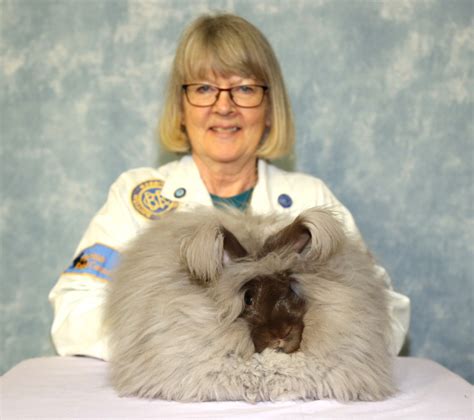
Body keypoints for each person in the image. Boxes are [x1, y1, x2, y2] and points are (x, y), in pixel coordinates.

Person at [49, 13, 410, 361]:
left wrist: (299, 350)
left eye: (245, 89)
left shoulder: (311, 199)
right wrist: (188, 346)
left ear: (270, 109)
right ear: (180, 108)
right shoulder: (137, 196)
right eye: (204, 88)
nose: (224, 107)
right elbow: (73, 310)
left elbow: (386, 312)